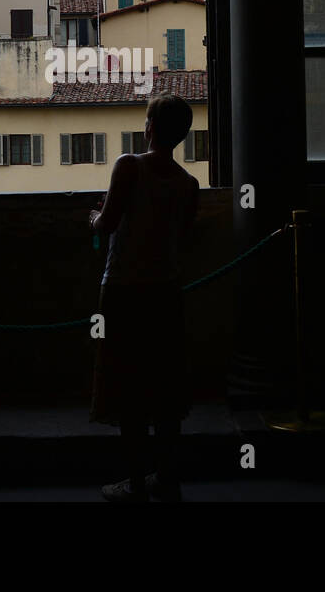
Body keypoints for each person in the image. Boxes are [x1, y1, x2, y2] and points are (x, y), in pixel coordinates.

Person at [88, 91, 200, 502]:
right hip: (167, 294)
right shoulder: (189, 184)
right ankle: (166, 477)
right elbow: (184, 240)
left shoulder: (128, 166)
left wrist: (93, 217)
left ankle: (135, 484)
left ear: (149, 127)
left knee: (129, 390)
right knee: (166, 392)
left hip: (124, 292)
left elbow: (108, 223)